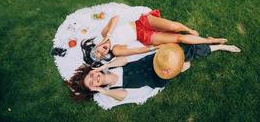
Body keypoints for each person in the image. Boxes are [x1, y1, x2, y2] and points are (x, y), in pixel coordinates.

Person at [67, 43, 241, 101]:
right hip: (158, 77)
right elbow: (123, 96)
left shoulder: (110, 66)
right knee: (181, 64)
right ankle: (181, 67)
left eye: (91, 75)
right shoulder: (111, 90)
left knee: (185, 52)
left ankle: (219, 46)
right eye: (92, 82)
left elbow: (123, 60)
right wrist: (101, 90)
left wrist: (102, 67)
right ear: (94, 89)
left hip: (153, 60)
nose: (94, 77)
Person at [88, 10, 228, 62]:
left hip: (142, 22)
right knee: (180, 39)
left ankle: (189, 29)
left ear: (98, 45)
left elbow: (115, 18)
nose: (102, 51)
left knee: (175, 27)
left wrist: (109, 35)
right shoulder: (116, 50)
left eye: (98, 50)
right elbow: (136, 51)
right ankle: (211, 40)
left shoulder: (104, 33)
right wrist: (155, 48)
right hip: (144, 36)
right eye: (102, 54)